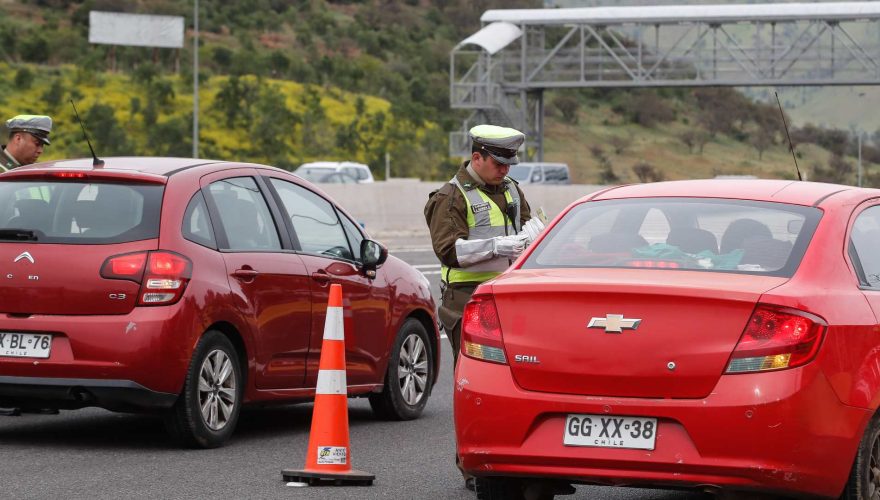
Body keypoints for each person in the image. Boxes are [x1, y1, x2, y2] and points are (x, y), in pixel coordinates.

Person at [424, 124, 545, 490]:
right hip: (468, 301)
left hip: (510, 297)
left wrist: (535, 236)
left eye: (509, 164)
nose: (505, 170)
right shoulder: (450, 197)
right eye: (498, 163)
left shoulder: (510, 189)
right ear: (476, 158)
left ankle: (514, 457)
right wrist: (504, 246)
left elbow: (529, 226)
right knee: (474, 385)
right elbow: (449, 250)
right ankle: (471, 466)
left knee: (516, 382)